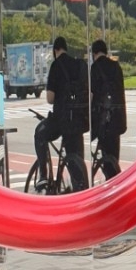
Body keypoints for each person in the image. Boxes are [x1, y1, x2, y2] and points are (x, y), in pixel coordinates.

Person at [32, 36, 89, 191]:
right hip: (79, 119)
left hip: (61, 120)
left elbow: (50, 99)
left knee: (39, 134)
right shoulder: (78, 65)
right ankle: (80, 187)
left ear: (55, 50)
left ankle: (43, 175)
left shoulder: (56, 66)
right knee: (75, 156)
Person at [89, 38, 127, 179]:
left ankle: (110, 182)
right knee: (114, 155)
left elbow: (92, 94)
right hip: (118, 117)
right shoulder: (116, 66)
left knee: (105, 155)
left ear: (94, 53)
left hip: (104, 119)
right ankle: (116, 180)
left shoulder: (95, 67)